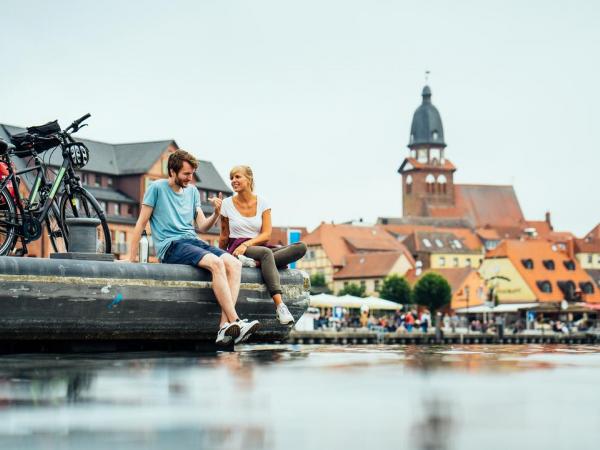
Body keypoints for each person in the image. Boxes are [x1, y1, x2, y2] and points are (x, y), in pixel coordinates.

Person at [128, 150, 259, 345]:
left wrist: (216, 213)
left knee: (234, 263)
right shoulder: (156, 188)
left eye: (192, 174)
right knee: (216, 263)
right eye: (186, 174)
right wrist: (131, 259)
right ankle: (236, 321)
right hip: (171, 246)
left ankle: (225, 326)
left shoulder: (192, 191)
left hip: (192, 240)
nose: (190, 178)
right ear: (172, 171)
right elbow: (140, 223)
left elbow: (202, 226)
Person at [219, 165, 307, 325]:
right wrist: (219, 256)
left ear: (249, 179)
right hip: (237, 249)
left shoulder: (263, 203)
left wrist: (248, 244)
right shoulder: (226, 204)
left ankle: (254, 264)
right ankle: (280, 306)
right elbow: (224, 235)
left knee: (301, 247)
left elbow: (266, 234)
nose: (233, 181)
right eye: (231, 178)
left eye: (237, 177)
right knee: (266, 254)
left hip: (257, 247)